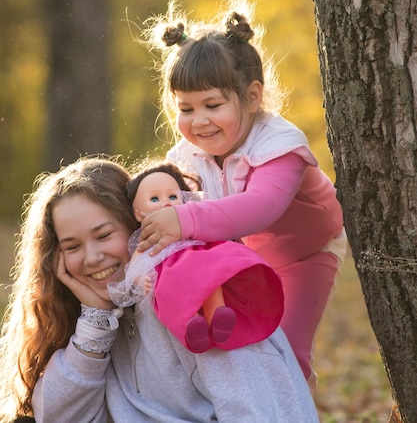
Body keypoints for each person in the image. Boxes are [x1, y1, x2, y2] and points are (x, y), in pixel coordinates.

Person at [0, 155, 320, 423]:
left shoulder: (190, 293)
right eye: (72, 246)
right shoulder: (107, 314)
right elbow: (56, 417)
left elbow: (260, 410)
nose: (92, 258)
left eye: (103, 235)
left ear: (140, 226)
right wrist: (95, 321)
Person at [136, 0, 347, 387]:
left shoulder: (278, 144)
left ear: (252, 98)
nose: (199, 121)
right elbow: (162, 201)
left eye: (212, 105)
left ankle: (291, 405)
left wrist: (183, 219)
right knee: (236, 344)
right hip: (242, 259)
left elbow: (261, 207)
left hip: (305, 253)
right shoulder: (186, 157)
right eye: (186, 108)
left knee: (286, 347)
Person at [108, 160, 284, 353]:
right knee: (172, 296)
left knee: (212, 275)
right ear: (138, 214)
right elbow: (135, 265)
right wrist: (141, 280)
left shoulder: (188, 227)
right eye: (155, 199)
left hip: (200, 264)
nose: (166, 202)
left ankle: (218, 312)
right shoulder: (145, 242)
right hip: (170, 277)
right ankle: (192, 324)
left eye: (173, 196)